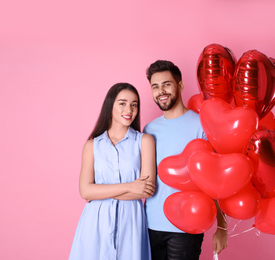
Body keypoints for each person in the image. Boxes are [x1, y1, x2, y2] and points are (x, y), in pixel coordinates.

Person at [143, 60, 228, 260]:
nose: (160, 91)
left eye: (166, 84)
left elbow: (216, 181)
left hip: (187, 225)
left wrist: (222, 226)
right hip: (149, 226)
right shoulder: (148, 130)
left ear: (180, 86)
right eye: (155, 86)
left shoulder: (202, 125)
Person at [69, 83, 156, 260]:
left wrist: (99, 192)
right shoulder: (92, 145)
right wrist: (131, 186)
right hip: (95, 224)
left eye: (134, 104)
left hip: (130, 222)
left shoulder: (144, 141)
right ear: (110, 106)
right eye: (122, 103)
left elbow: (145, 189)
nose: (129, 109)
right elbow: (85, 191)